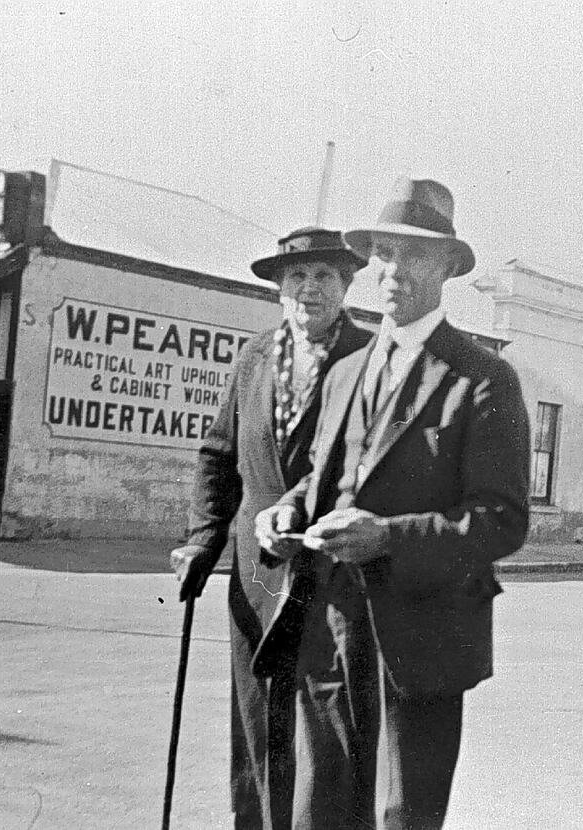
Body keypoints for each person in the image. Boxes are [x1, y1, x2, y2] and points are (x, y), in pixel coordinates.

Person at [255, 178, 530, 830]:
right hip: (328, 623)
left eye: (414, 256)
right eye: (382, 253)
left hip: (423, 639)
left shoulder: (483, 377)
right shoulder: (347, 370)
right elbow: (326, 478)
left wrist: (388, 537)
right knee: (320, 811)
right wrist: (287, 510)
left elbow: (502, 519)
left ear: (448, 268)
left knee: (403, 815)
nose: (393, 270)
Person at [170, 227, 372, 830]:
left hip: (332, 573)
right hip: (257, 574)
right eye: (297, 277)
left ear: (346, 285)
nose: (309, 289)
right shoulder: (253, 359)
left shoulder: (367, 361)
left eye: (323, 277)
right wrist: (203, 540)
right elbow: (218, 453)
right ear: (280, 288)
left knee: (331, 725)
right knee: (259, 719)